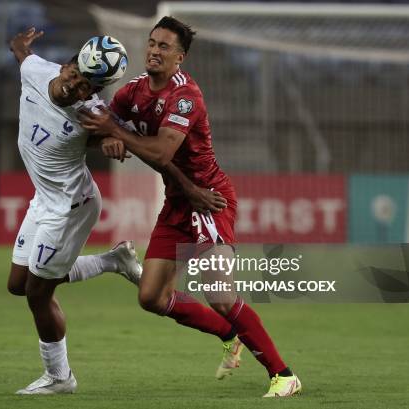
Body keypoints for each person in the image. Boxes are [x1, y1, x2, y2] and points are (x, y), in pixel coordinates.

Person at [79, 16, 302, 397]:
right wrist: (107, 139)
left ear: (179, 57)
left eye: (164, 46)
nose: (154, 50)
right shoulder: (131, 92)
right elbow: (103, 125)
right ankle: (229, 333)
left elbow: (162, 151)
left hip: (209, 198)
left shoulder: (186, 96)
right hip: (178, 204)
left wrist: (116, 133)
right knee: (151, 297)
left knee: (219, 293)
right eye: (152, 43)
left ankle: (284, 375)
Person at [6, 28, 144, 395]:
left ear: (94, 92)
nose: (74, 87)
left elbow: (118, 136)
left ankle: (60, 377)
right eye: (74, 75)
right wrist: (22, 40)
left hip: (70, 207)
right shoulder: (36, 71)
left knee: (38, 293)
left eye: (86, 86)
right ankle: (114, 262)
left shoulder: (91, 114)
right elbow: (19, 50)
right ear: (66, 65)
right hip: (44, 198)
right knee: (17, 285)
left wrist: (114, 137)